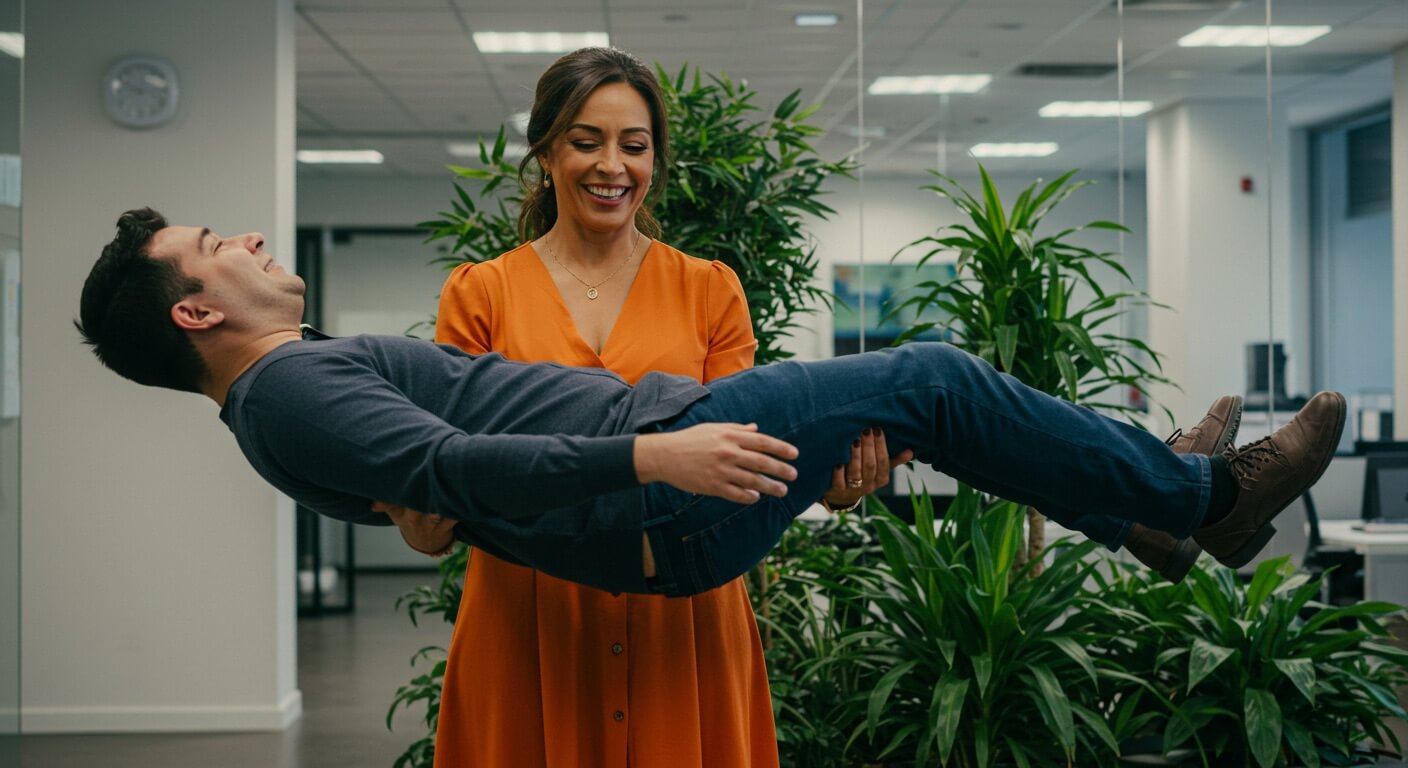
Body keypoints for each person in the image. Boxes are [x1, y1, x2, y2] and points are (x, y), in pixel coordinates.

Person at [76, 207, 1346, 599]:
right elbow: (458, 476)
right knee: (935, 376)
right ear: (196, 312)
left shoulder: (284, 397)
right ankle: (1197, 497)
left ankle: (1143, 514)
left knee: (921, 406)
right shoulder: (287, 387)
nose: (241, 237)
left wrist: (654, 443)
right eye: (210, 242)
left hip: (659, 476)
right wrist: (656, 458)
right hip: (658, 498)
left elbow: (428, 503)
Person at [381, 47, 900, 767]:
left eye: (635, 145)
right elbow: (455, 472)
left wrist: (831, 485)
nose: (611, 166)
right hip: (530, 615)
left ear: (656, 158)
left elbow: (742, 463)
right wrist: (423, 524)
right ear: (546, 151)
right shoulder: (482, 294)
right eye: (585, 141)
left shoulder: (709, 290)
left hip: (679, 617)